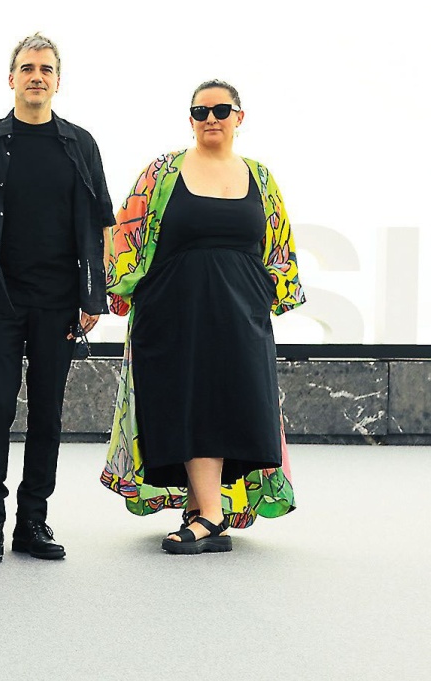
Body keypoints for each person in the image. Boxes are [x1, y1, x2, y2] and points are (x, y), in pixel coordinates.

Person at [0, 34, 115, 563]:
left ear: (58, 81)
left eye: (46, 69)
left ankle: (33, 521)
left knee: (48, 415)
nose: (37, 76)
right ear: (11, 78)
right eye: (28, 68)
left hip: (59, 302)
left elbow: (102, 220)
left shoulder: (80, 144)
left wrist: (94, 294)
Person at [101, 79, 305, 554]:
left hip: (240, 317)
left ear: (239, 117)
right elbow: (122, 230)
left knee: (227, 405)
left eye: (220, 110)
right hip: (173, 315)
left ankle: (203, 512)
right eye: (200, 111)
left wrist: (265, 292)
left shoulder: (260, 177)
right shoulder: (162, 171)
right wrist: (130, 289)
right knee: (189, 404)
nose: (210, 118)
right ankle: (210, 514)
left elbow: (279, 246)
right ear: (190, 119)